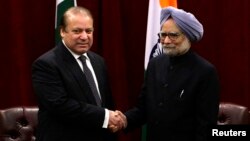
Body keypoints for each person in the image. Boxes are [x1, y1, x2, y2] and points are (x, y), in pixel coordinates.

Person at [117, 6, 220, 141]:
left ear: (188, 36)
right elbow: (143, 108)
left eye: (173, 35)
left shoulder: (205, 72)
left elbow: (206, 128)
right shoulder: (155, 64)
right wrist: (125, 120)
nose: (165, 41)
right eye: (163, 35)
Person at [32, 6, 124, 141]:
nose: (84, 37)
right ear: (62, 31)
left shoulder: (98, 61)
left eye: (89, 31)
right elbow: (60, 106)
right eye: (77, 31)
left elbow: (105, 102)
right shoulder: (46, 64)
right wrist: (106, 116)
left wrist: (111, 121)